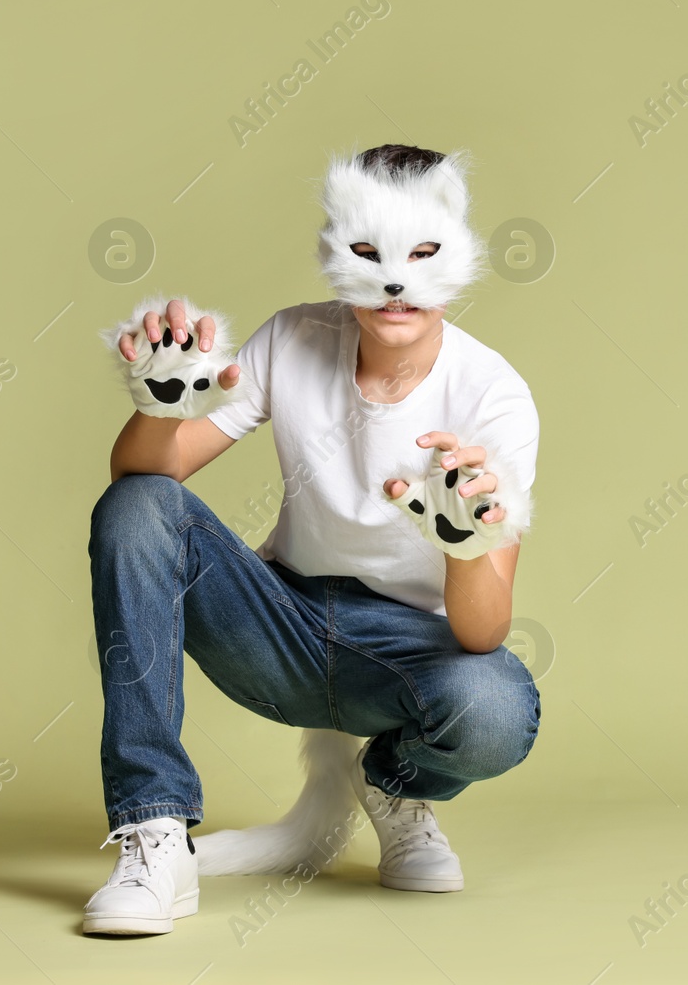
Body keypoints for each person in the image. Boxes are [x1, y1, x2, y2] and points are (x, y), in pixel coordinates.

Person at [82, 143, 542, 936]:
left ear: (456, 251)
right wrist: (163, 399)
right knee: (136, 506)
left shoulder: (492, 393)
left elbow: (482, 631)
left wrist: (466, 542)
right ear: (335, 247)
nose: (394, 282)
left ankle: (397, 784)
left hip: (401, 656)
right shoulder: (293, 338)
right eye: (368, 254)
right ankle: (155, 830)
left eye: (422, 254)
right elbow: (143, 473)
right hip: (276, 625)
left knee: (496, 705)